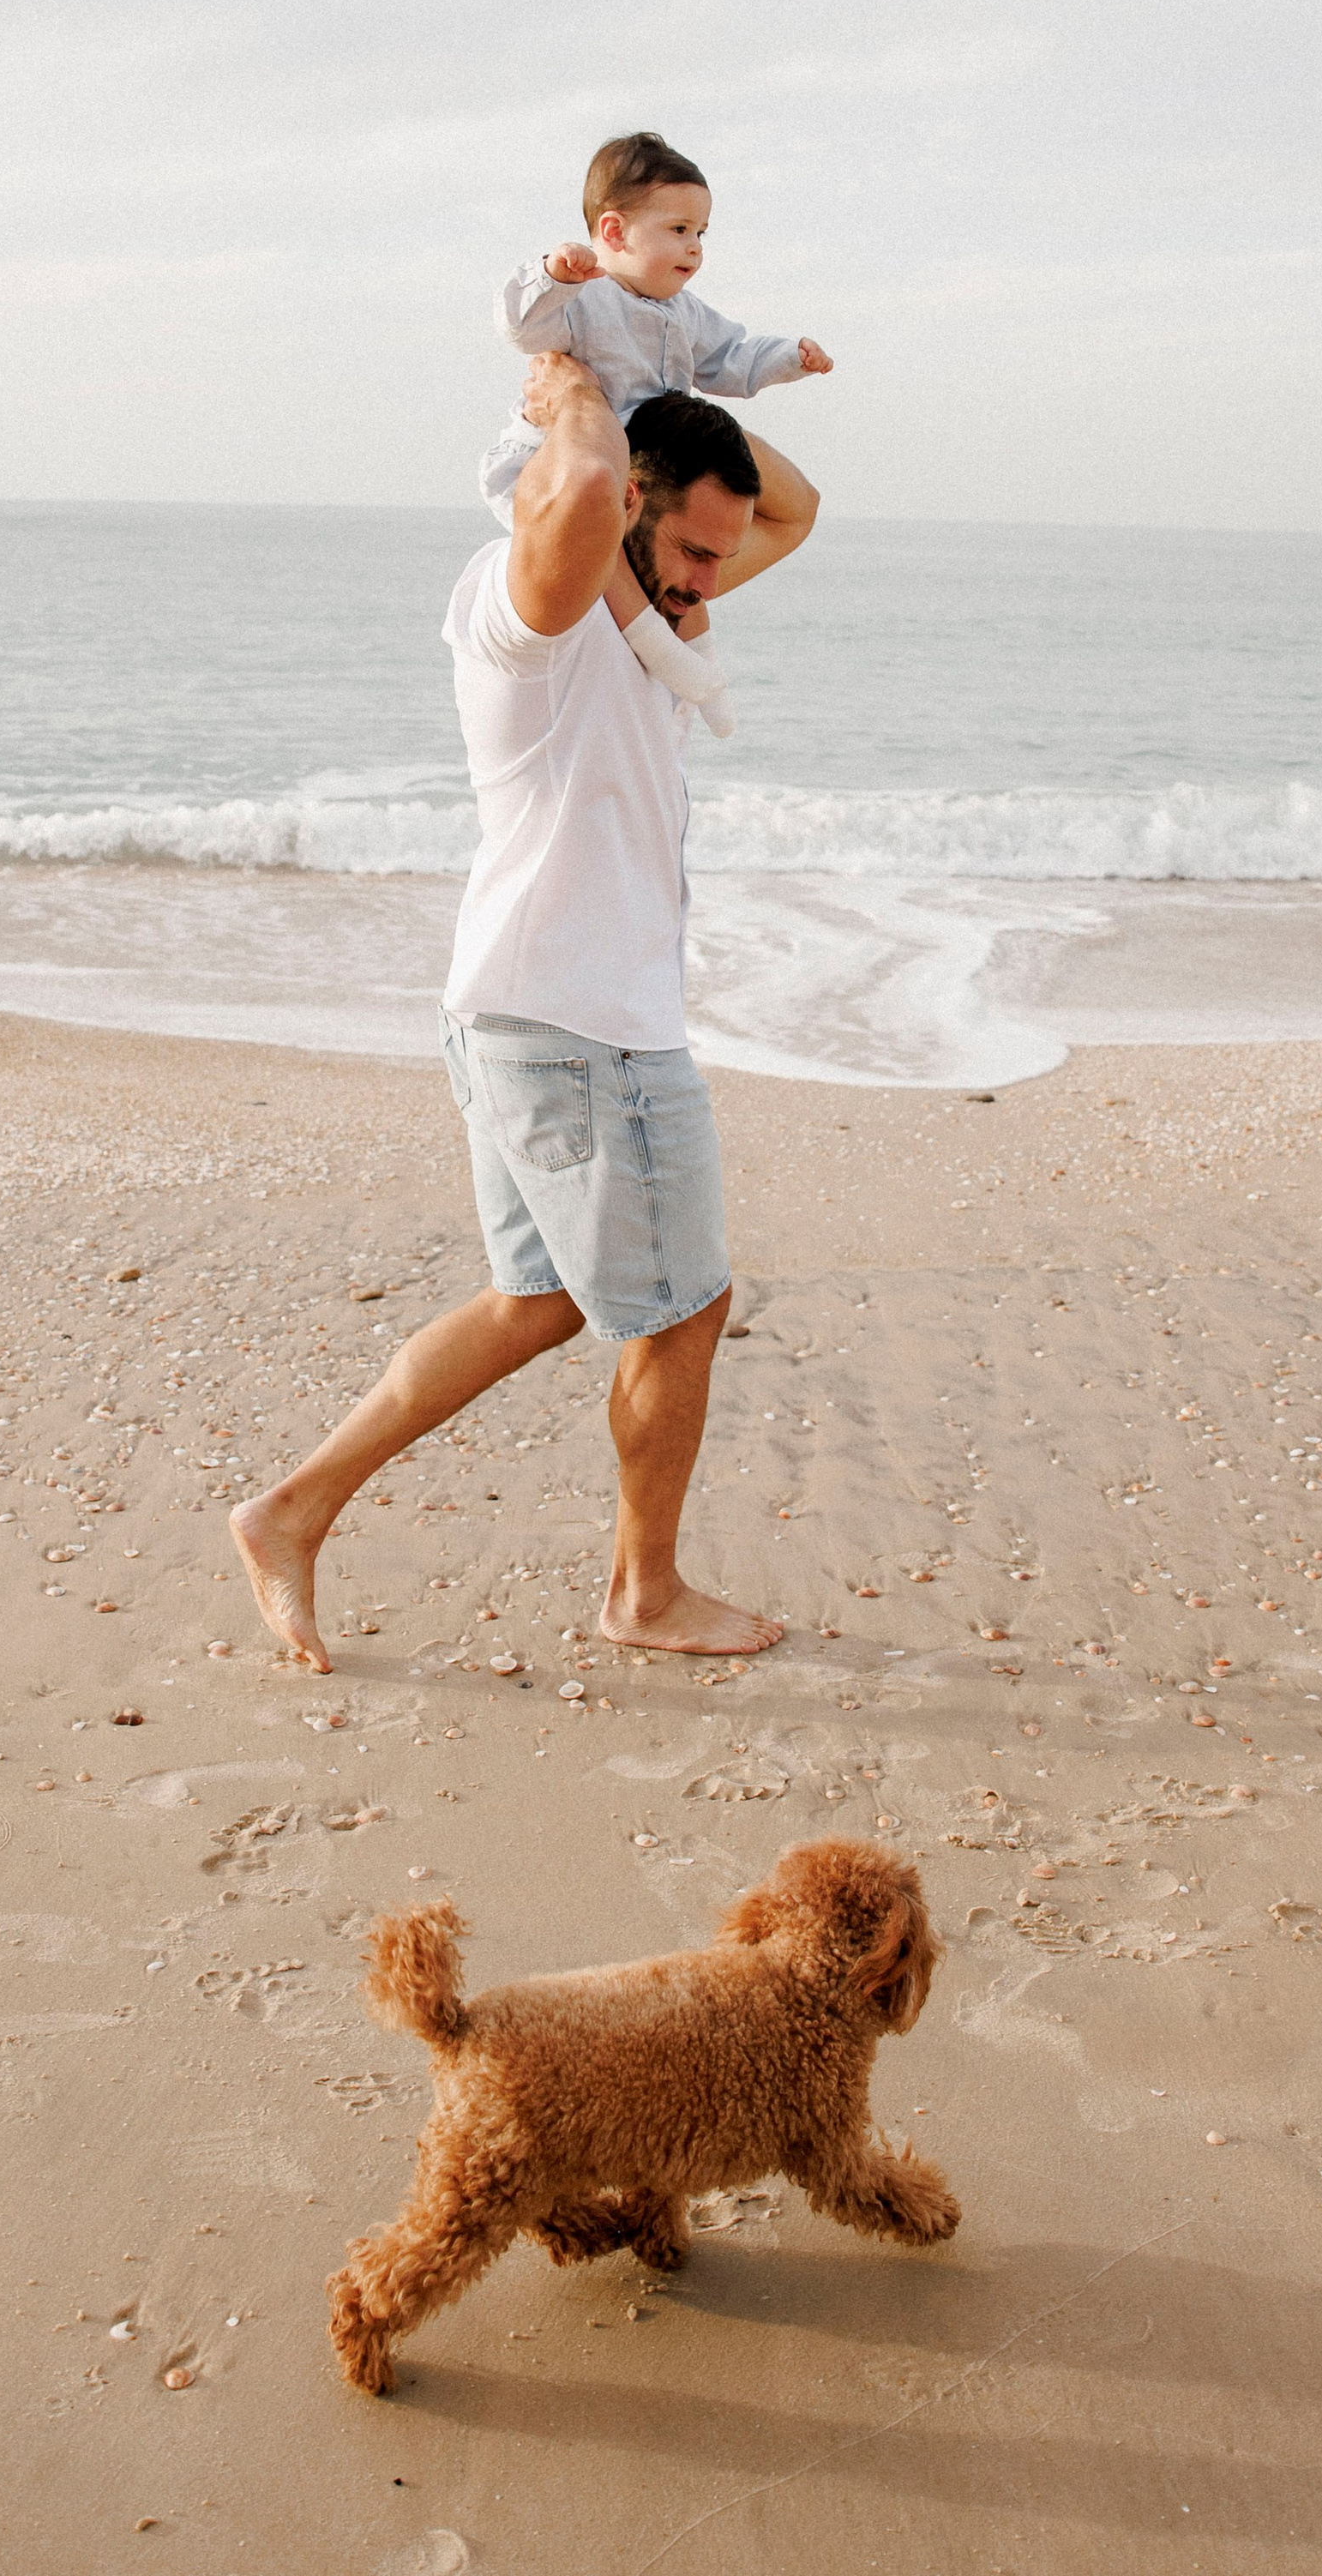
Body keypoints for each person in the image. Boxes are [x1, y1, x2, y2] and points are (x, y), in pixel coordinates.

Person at [230, 360, 819, 1670]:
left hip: (530, 1016)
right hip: (579, 1031)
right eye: (687, 548)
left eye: (717, 559)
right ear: (619, 511)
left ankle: (290, 1510)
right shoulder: (530, 611)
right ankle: (645, 1594)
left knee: (535, 1303)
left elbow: (800, 507)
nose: (710, 583)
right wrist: (573, 396)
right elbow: (593, 486)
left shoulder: (658, 617)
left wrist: (658, 372)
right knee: (683, 1310)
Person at [481, 130, 831, 740]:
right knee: (608, 539)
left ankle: (705, 677)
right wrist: (551, 274)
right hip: (562, 473)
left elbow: (733, 358)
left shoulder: (684, 313)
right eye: (678, 230)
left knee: (684, 585)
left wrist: (789, 358)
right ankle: (665, 655)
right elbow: (520, 324)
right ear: (614, 232)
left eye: (701, 234)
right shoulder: (587, 297)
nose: (694, 248)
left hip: (641, 471)